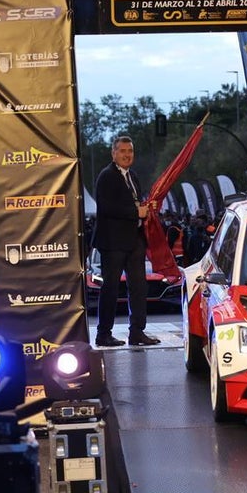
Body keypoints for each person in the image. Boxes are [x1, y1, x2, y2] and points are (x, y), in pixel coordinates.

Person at [91, 135, 160, 348]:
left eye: (130, 152)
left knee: (139, 288)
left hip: (134, 241)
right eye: (122, 151)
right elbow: (106, 207)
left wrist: (147, 208)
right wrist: (135, 212)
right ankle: (103, 334)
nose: (127, 155)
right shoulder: (106, 176)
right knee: (110, 288)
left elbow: (136, 203)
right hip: (112, 243)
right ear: (114, 153)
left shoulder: (133, 176)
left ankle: (137, 332)